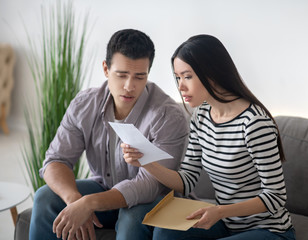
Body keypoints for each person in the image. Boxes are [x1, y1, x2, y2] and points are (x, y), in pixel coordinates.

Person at [122, 34, 296, 240]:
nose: (181, 86)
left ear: (211, 73)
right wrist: (146, 162)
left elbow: (275, 196)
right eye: (178, 78)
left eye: (187, 76)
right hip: (226, 224)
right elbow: (186, 181)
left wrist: (220, 211)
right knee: (165, 233)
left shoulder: (254, 124)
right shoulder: (201, 116)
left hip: (267, 230)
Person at [29, 29, 189, 240]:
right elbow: (55, 160)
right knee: (44, 197)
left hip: (151, 200)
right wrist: (74, 199)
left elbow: (151, 185)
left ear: (148, 74)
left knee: (132, 219)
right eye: (121, 75)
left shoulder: (168, 115)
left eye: (139, 77)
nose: (129, 86)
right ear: (106, 69)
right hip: (104, 189)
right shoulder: (85, 103)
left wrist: (89, 203)